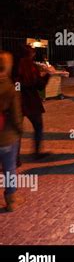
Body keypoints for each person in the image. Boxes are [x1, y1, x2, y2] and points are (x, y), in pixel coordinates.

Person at [16, 45, 51, 161]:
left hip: (17, 102)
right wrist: (48, 74)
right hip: (31, 102)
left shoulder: (14, 66)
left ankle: (14, 158)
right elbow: (40, 86)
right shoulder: (31, 67)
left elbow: (17, 85)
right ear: (31, 54)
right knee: (38, 127)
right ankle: (37, 152)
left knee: (17, 130)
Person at [0, 51, 25, 211]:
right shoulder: (10, 88)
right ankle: (11, 200)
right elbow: (17, 116)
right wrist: (19, 131)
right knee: (9, 168)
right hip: (7, 136)